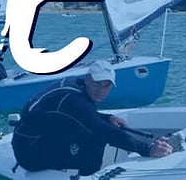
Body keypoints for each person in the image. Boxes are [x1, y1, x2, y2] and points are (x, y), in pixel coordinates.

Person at [11, 61, 173, 176]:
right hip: (29, 153)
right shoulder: (74, 100)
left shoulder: (76, 85)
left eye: (107, 85)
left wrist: (107, 117)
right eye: (98, 83)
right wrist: (148, 148)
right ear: (88, 80)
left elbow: (77, 115)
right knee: (96, 137)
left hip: (38, 136)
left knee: (95, 129)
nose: (101, 90)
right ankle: (89, 176)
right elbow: (103, 131)